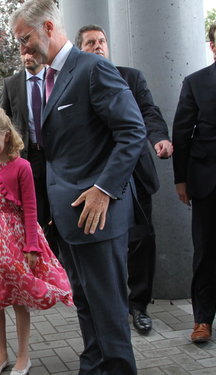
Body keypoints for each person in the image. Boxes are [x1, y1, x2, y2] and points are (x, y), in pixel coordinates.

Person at [11, 1, 147, 373]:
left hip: (98, 215)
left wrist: (104, 189)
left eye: (26, 39)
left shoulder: (93, 69)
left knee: (109, 308)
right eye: (18, 42)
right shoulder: (48, 78)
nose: (23, 49)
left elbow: (133, 131)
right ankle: (93, 364)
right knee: (85, 302)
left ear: (50, 29)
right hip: (67, 217)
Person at [0, 107, 72, 375]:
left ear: (6, 136)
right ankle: (0, 353)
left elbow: (30, 209)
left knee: (19, 296)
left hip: (13, 240)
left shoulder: (22, 167)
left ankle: (23, 355)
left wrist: (31, 246)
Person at [75, 24, 174, 335]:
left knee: (142, 240)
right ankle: (112, 308)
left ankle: (139, 306)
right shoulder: (75, 83)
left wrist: (158, 138)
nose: (98, 46)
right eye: (90, 42)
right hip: (97, 180)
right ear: (81, 49)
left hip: (136, 176)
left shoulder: (131, 77)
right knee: (109, 245)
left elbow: (149, 112)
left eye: (102, 41)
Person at [172, 23, 216, 344]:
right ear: (212, 46)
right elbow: (181, 133)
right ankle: (202, 320)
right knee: (206, 253)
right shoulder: (195, 82)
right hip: (206, 182)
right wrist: (181, 179)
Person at [0, 54, 51, 230]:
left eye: (32, 52)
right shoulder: (11, 84)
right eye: (23, 53)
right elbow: (4, 122)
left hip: (54, 154)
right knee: (34, 209)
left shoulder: (55, 78)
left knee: (56, 205)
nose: (27, 56)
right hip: (27, 155)